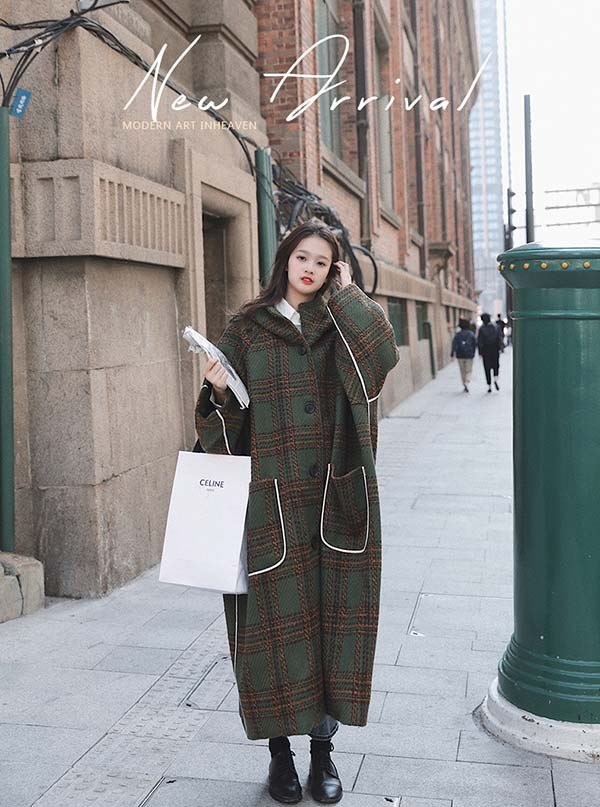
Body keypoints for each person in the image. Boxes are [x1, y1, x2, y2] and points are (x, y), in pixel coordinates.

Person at [195, 218, 400, 805]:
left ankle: (323, 753)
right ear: (285, 258)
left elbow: (383, 354)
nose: (309, 269)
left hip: (335, 503)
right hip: (270, 507)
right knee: (272, 637)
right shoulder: (248, 329)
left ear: (334, 270)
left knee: (332, 630)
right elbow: (221, 431)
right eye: (302, 257)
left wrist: (347, 293)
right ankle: (279, 754)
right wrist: (218, 391)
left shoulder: (341, 324)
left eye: (322, 262)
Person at [477, 312, 503, 393]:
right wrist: (500, 348)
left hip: (486, 351)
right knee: (496, 365)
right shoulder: (496, 327)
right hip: (495, 350)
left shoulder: (481, 329)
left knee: (487, 368)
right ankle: (495, 379)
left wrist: (480, 352)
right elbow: (500, 338)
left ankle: (489, 386)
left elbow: (480, 342)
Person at [451, 318, 477, 392]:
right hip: (469, 355)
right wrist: (473, 353)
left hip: (460, 354)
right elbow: (474, 344)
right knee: (468, 370)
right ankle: (467, 381)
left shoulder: (458, 334)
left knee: (462, 370)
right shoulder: (471, 334)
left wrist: (452, 354)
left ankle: (464, 383)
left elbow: (454, 344)